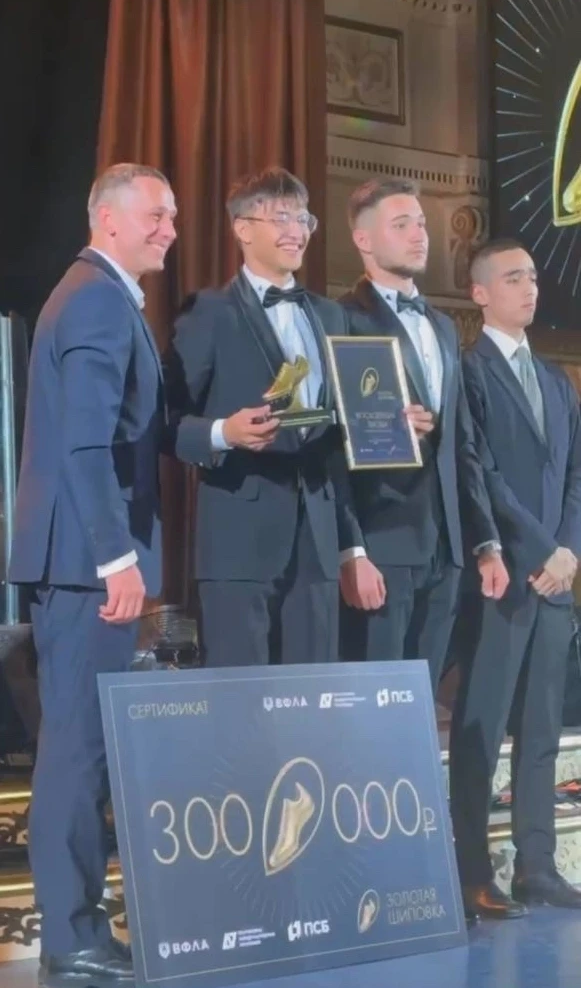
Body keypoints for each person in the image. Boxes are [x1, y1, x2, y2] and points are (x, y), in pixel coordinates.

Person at [10, 163, 176, 984]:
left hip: (80, 562)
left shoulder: (98, 295)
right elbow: (84, 445)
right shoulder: (98, 301)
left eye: (172, 216)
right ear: (108, 220)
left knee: (80, 750)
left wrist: (219, 433)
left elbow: (133, 430)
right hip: (85, 565)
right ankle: (72, 937)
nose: (170, 229)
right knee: (75, 755)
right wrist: (116, 558)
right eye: (156, 215)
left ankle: (77, 930)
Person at [164, 166, 385, 667]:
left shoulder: (330, 315)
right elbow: (166, 421)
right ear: (243, 228)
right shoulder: (208, 312)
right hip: (239, 540)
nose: (297, 231)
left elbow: (337, 439)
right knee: (242, 697)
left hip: (318, 544)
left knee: (313, 696)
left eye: (304, 219)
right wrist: (223, 432)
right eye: (282, 217)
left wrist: (351, 547)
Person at [449, 238, 581, 918]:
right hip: (503, 574)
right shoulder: (468, 373)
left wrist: (569, 551)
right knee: (483, 725)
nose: (528, 288)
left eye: (531, 277)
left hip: (556, 580)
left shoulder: (556, 380)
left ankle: (537, 865)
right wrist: (538, 549)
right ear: (479, 293)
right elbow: (479, 475)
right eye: (512, 278)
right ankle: (472, 870)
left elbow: (576, 474)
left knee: (541, 729)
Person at [338, 179, 509, 689]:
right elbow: (327, 450)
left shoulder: (443, 327)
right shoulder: (342, 318)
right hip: (382, 542)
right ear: (364, 240)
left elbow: (462, 442)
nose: (419, 235)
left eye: (421, 223)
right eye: (401, 225)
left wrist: (485, 542)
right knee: (373, 703)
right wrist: (352, 551)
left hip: (446, 547)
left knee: (419, 702)